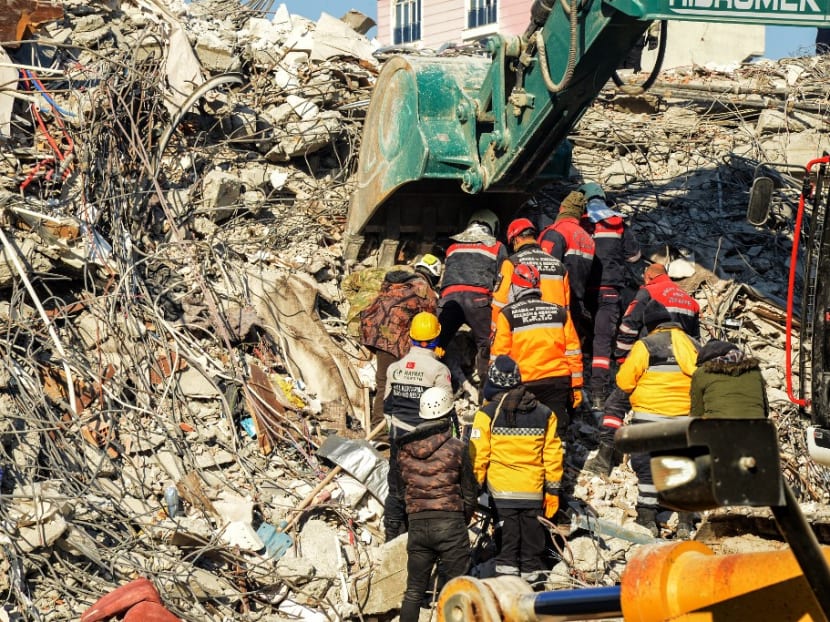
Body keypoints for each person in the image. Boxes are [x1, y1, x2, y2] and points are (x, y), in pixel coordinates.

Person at [583, 301, 699, 536]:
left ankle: (647, 518)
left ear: (651, 326)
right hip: (683, 421)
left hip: (648, 420)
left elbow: (625, 381)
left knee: (647, 468)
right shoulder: (694, 344)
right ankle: (685, 522)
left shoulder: (646, 345)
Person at [468, 355, 563, 582]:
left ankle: (508, 594)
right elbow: (553, 455)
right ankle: (535, 596)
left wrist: (471, 491)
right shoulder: (545, 413)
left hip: (502, 495)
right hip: (533, 492)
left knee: (507, 551)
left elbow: (478, 455)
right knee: (532, 550)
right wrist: (552, 492)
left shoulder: (486, 414)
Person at [397, 386, 477, 622]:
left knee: (413, 591)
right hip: (450, 523)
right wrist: (461, 521)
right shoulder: (457, 447)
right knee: (458, 590)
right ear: (448, 414)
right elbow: (470, 493)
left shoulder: (403, 450)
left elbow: (401, 492)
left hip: (418, 525)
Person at [383, 311, 453, 541]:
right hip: (426, 440)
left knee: (396, 489)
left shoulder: (395, 368)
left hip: (398, 436)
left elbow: (387, 406)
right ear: (436, 339)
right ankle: (420, 536)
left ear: (411, 337)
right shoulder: (439, 370)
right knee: (424, 489)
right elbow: (444, 408)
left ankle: (392, 535)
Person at [490, 263, 582, 437]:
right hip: (557, 381)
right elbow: (573, 351)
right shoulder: (560, 312)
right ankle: (557, 461)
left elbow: (499, 356)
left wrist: (494, 389)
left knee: (527, 432)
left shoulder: (508, 314)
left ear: (515, 287)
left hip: (525, 382)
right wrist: (576, 386)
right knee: (556, 432)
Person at [359, 254, 442, 430]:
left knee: (383, 381)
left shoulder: (398, 283)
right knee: (402, 384)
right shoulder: (425, 290)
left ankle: (379, 430)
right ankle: (388, 432)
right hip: (396, 339)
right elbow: (428, 325)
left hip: (376, 333)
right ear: (435, 275)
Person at [580, 182, 641, 411]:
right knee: (603, 342)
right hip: (610, 290)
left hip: (585, 290)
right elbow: (634, 257)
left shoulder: (583, 223)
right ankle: (598, 394)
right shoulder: (618, 223)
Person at [438, 209, 508, 390]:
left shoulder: (452, 246)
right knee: (487, 344)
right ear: (492, 226)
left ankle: (437, 384)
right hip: (478, 302)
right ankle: (487, 392)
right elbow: (503, 277)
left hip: (449, 299)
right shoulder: (497, 246)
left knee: (438, 343)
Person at [537, 191, 596, 384]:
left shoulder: (555, 232)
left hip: (551, 302)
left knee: (545, 354)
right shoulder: (587, 238)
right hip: (576, 305)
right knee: (568, 351)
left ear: (562, 209)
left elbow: (541, 268)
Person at [491, 217, 572, 334]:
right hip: (554, 332)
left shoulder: (512, 263)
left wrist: (495, 330)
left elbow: (500, 301)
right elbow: (566, 307)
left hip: (524, 332)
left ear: (516, 239)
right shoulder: (559, 265)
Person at [615, 262, 700, 363]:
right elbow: (695, 338)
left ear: (649, 276)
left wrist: (621, 355)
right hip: (681, 361)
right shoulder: (690, 300)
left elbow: (629, 325)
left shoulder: (648, 292)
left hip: (652, 357)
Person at [690, 340, 768, 420]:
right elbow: (766, 411)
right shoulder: (754, 371)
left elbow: (696, 414)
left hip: (718, 428)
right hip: (758, 428)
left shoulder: (701, 373)